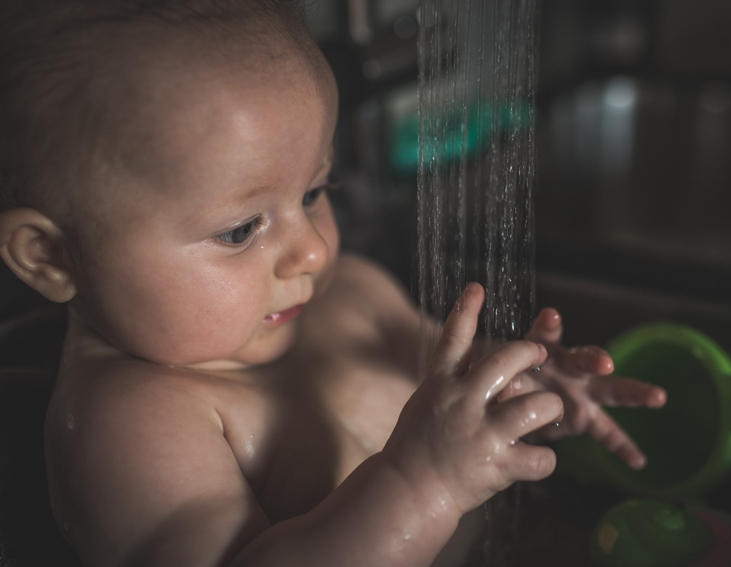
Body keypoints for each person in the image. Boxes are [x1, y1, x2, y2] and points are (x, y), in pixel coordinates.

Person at [0, 1, 666, 565]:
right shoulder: (135, 425)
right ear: (51, 257)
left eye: (316, 191)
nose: (313, 251)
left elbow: (458, 400)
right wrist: (422, 485)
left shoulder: (348, 293)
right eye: (239, 230)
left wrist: (533, 393)